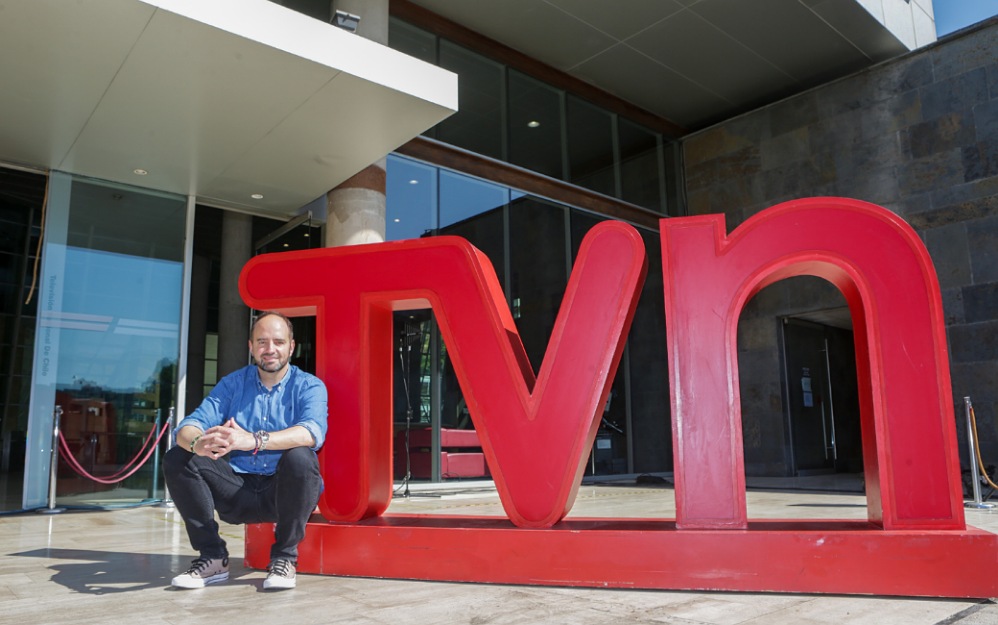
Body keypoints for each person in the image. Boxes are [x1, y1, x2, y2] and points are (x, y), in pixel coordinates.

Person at [164, 311, 328, 590]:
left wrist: (252, 440)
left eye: (278, 342)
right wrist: (198, 443)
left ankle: (284, 558)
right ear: (251, 347)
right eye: (262, 342)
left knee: (301, 456)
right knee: (179, 457)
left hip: (283, 494)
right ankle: (213, 557)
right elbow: (187, 428)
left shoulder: (309, 386)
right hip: (238, 490)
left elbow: (311, 433)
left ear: (291, 347)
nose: (270, 349)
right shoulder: (232, 384)